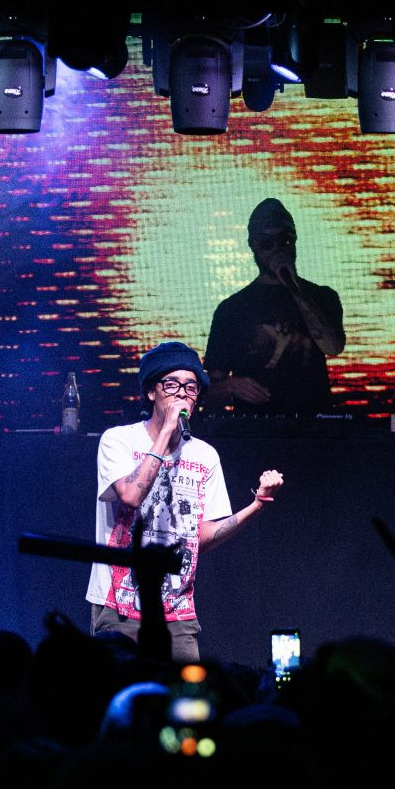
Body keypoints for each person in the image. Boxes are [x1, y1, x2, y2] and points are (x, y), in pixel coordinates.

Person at [87, 342, 283, 663]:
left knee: (185, 693)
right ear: (151, 392)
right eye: (172, 385)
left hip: (177, 614)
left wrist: (257, 505)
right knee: (121, 689)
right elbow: (131, 495)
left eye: (191, 387)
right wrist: (166, 432)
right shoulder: (119, 440)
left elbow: (201, 537)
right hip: (119, 605)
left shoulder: (205, 456)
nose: (182, 394)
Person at [204, 197, 345, 415]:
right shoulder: (231, 310)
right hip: (257, 428)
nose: (276, 250)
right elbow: (211, 390)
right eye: (266, 243)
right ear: (253, 245)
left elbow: (333, 346)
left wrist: (294, 288)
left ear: (294, 239)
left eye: (284, 241)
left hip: (314, 426)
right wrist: (231, 385)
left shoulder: (322, 296)